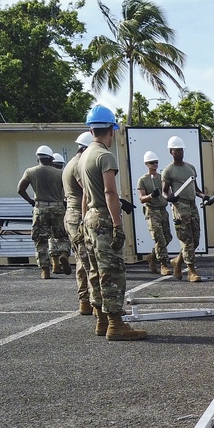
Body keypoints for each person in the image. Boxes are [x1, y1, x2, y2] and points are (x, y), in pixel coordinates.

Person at [78, 105, 147, 341]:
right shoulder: (104, 156)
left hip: (89, 219)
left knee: (95, 272)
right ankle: (116, 325)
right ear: (111, 129)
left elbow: (85, 195)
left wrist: (82, 220)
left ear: (91, 129)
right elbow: (109, 192)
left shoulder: (84, 156)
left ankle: (101, 320)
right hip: (103, 220)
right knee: (112, 272)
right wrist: (117, 224)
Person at [17, 145, 71, 279]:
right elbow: (69, 190)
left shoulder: (30, 171)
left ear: (37, 158)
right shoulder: (60, 173)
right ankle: (64, 254)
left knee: (41, 241)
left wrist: (31, 201)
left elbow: (20, 189)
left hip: (40, 208)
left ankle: (45, 270)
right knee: (62, 236)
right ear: (51, 159)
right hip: (58, 208)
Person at [162, 136, 205, 283]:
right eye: (176, 150)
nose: (180, 153)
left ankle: (177, 261)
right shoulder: (169, 171)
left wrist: (203, 195)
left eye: (181, 150)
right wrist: (169, 198)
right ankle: (191, 271)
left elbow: (196, 188)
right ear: (171, 152)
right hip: (180, 206)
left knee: (196, 240)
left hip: (192, 205)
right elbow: (164, 191)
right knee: (186, 239)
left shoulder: (190, 168)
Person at [62, 131, 94, 314]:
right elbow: (89, 191)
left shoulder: (70, 164)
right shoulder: (78, 166)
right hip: (79, 216)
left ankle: (85, 302)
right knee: (89, 261)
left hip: (72, 215)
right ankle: (95, 304)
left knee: (82, 261)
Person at [137, 150, 173, 276]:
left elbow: (167, 190)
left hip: (163, 210)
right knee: (159, 238)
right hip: (152, 211)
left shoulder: (162, 177)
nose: (155, 165)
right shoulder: (143, 180)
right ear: (147, 164)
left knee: (167, 237)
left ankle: (152, 256)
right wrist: (151, 195)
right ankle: (164, 264)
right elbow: (141, 198)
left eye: (156, 162)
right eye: (152, 163)